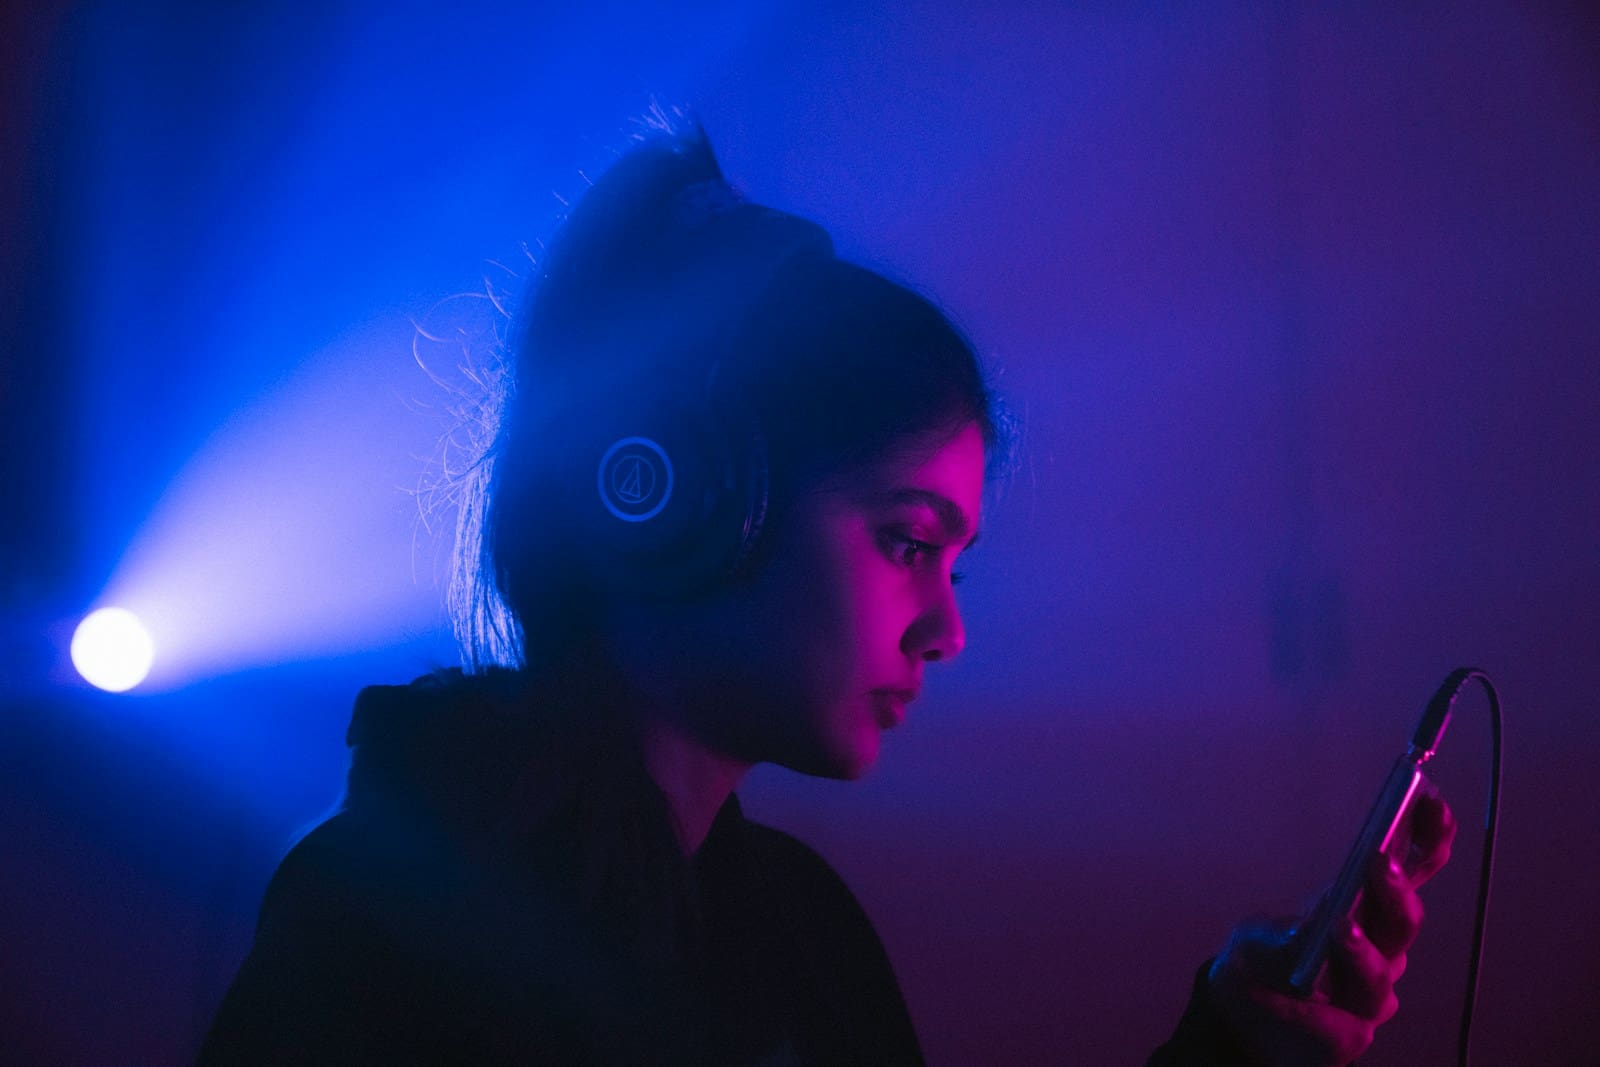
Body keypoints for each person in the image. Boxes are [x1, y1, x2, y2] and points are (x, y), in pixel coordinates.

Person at [199, 111, 1455, 1065]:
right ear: (693, 498)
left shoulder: (797, 932)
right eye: (908, 541)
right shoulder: (391, 920)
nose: (947, 629)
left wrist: (1228, 1048)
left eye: (955, 561)